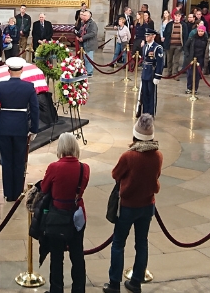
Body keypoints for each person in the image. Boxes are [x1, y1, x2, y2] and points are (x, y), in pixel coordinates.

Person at [103, 115, 161, 293]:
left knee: (118, 244)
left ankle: (114, 283)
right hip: (147, 204)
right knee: (142, 243)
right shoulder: (158, 155)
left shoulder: (129, 156)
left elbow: (116, 174)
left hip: (128, 206)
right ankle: (136, 281)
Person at [42, 132, 90, 293]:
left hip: (58, 217)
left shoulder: (54, 167)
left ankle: (56, 289)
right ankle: (78, 289)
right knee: (77, 256)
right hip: (77, 216)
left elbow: (44, 188)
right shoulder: (85, 168)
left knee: (57, 258)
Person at [0, 57, 40, 202]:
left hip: (4, 127)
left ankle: (8, 194)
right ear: (22, 70)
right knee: (19, 161)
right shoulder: (29, 87)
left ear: (8, 70)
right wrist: (34, 129)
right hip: (21, 128)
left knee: (6, 161)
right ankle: (18, 193)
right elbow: (35, 109)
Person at [138, 29, 164, 115]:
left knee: (151, 94)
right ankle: (144, 112)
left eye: (148, 35)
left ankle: (151, 113)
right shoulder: (145, 46)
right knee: (144, 93)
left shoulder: (157, 47)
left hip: (152, 73)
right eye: (146, 36)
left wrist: (157, 76)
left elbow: (160, 63)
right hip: (145, 73)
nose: (146, 37)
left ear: (153, 36)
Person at [162, 11, 188, 79]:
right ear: (174, 16)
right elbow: (165, 33)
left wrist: (184, 45)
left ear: (180, 17)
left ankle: (175, 74)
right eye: (176, 16)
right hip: (170, 44)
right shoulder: (169, 24)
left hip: (179, 45)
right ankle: (169, 72)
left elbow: (185, 35)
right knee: (169, 60)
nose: (177, 17)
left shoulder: (183, 25)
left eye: (178, 16)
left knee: (176, 61)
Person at [183, 25, 208, 95]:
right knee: (190, 74)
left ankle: (195, 88)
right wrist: (187, 54)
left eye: (202, 31)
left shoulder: (206, 40)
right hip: (192, 58)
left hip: (200, 58)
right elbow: (186, 46)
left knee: (197, 75)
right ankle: (189, 88)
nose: (200, 33)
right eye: (199, 31)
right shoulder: (192, 38)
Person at [77, 10, 98, 77]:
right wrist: (78, 36)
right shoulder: (83, 23)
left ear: (89, 16)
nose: (83, 16)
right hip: (84, 43)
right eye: (82, 15)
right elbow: (81, 31)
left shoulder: (92, 23)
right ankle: (86, 70)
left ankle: (89, 72)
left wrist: (83, 37)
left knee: (89, 58)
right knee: (85, 58)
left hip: (90, 43)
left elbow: (93, 33)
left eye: (84, 15)